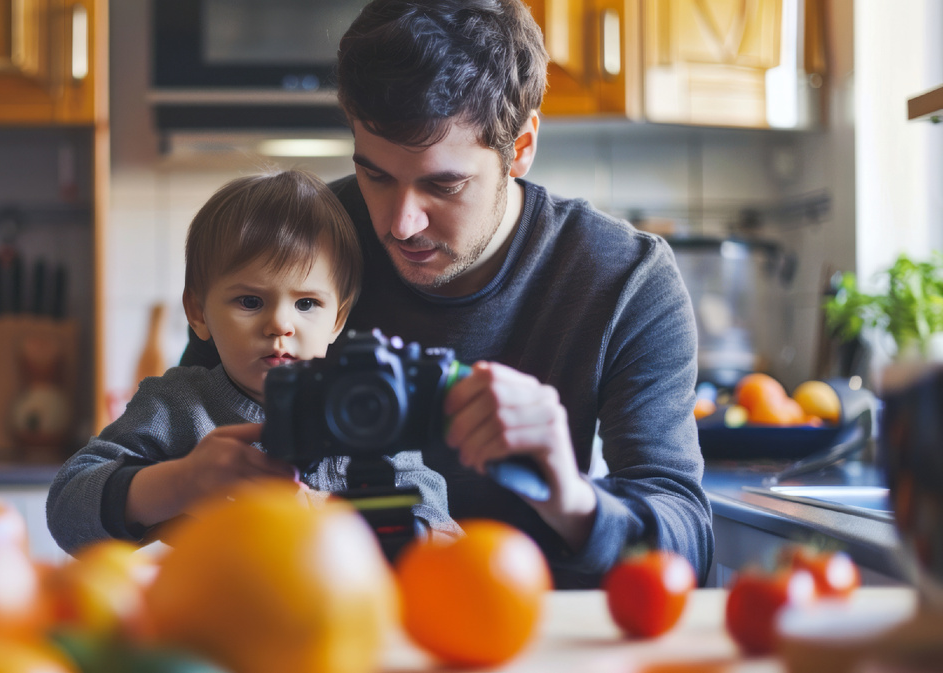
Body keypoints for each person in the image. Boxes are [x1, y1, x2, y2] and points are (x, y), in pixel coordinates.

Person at [182, 0, 713, 588]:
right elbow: (177, 446)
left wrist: (571, 497)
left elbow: (688, 547)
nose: (401, 223)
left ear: (522, 147)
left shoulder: (624, 281)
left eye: (444, 183)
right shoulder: (300, 247)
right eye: (375, 174)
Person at [47, 169, 459, 554]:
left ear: (338, 318)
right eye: (250, 301)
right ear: (198, 312)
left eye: (306, 303)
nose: (280, 323)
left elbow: (444, 535)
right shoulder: (177, 406)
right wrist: (180, 483)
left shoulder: (371, 409)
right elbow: (67, 509)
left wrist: (340, 517)